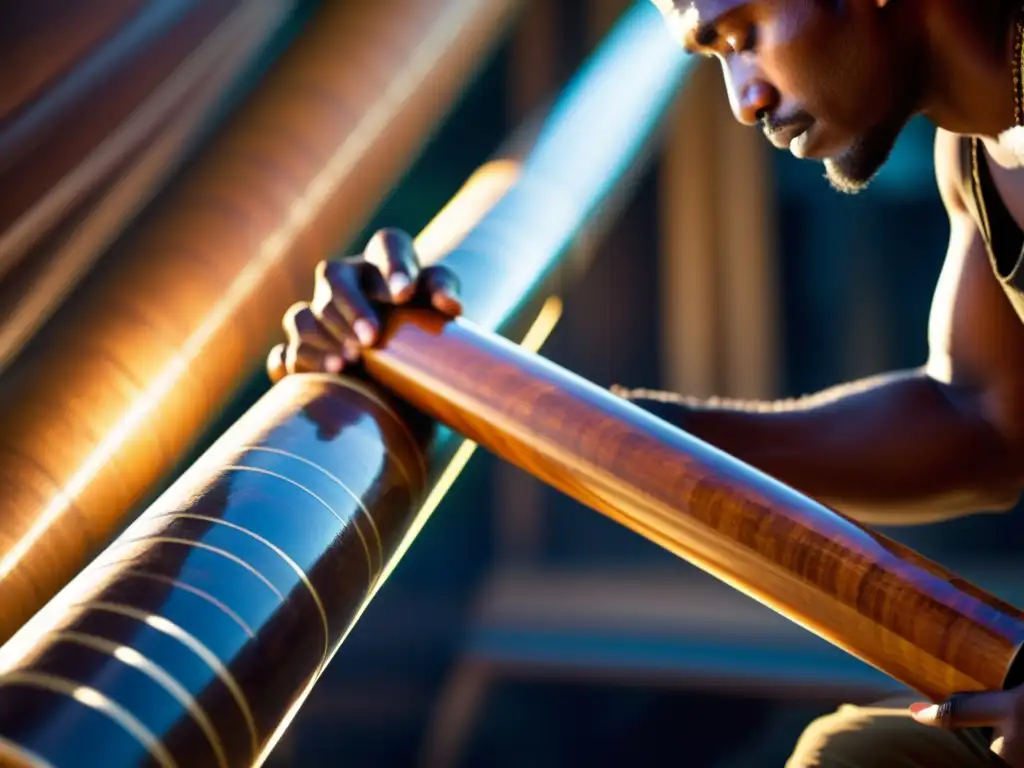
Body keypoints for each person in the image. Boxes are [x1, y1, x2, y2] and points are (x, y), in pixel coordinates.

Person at [267, 1, 1024, 764]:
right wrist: (555, 416)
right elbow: (982, 425)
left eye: (743, 37)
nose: (744, 99)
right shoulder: (973, 155)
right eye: (718, 57)